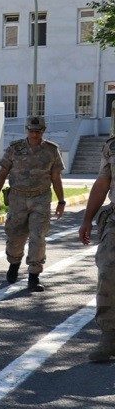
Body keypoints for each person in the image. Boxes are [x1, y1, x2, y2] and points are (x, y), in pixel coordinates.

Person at [0, 115, 65, 292]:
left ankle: (34, 275)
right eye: (31, 131)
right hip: (17, 198)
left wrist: (61, 201)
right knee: (15, 236)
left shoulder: (51, 150)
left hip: (41, 198)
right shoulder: (15, 148)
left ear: (43, 131)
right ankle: (14, 264)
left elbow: (56, 177)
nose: (34, 135)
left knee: (38, 237)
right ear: (27, 130)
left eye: (38, 132)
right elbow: (2, 174)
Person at [79, 135, 115, 362]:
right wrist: (86, 220)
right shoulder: (112, 146)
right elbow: (102, 182)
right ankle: (109, 336)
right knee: (107, 272)